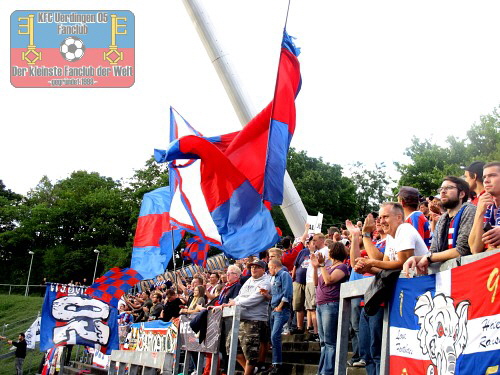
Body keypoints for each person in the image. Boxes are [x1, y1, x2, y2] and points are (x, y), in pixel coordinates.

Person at [403, 176, 476, 275]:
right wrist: (417, 259)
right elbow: (434, 251)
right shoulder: (443, 219)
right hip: (448, 277)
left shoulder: (469, 210)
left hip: (467, 273)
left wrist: (428, 258)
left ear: (462, 194)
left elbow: (462, 250)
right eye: (441, 189)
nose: (443, 192)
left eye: (449, 188)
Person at [223, 260, 271, 375]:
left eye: (257, 267)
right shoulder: (249, 280)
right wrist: (232, 302)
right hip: (241, 318)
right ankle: (250, 371)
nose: (253, 269)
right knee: (231, 347)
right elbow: (240, 296)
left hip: (254, 319)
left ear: (263, 270)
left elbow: (255, 299)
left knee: (250, 351)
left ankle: (248, 372)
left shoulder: (265, 282)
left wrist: (237, 304)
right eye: (252, 267)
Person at [310, 242, 349, 375]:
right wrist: (316, 267)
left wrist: (321, 266)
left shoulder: (342, 267)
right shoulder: (328, 266)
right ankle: (321, 371)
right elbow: (316, 282)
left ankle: (328, 371)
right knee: (323, 342)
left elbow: (329, 280)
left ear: (333, 252)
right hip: (322, 305)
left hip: (331, 304)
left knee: (330, 341)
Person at [261, 259, 293, 374]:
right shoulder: (275, 277)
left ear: (274, 266)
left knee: (275, 336)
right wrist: (266, 295)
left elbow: (287, 292)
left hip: (282, 310)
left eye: (269, 268)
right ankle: (275, 363)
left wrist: (280, 306)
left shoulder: (284, 275)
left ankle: (277, 364)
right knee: (273, 337)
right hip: (274, 309)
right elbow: (275, 295)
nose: (269, 271)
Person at [469, 162, 500, 252]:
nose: (486, 181)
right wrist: (479, 212)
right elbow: (474, 249)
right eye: (484, 177)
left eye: (492, 175)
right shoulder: (487, 206)